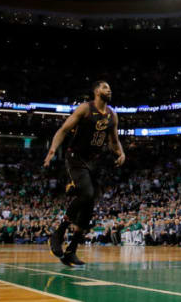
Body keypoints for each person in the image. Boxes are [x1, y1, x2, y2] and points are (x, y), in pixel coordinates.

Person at [44, 81, 125, 266]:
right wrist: (52, 151)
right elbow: (63, 130)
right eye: (105, 87)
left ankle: (71, 250)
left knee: (89, 207)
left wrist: (121, 153)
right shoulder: (85, 109)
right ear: (96, 91)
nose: (109, 90)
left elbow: (114, 140)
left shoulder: (113, 115)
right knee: (86, 193)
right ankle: (58, 234)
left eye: (110, 88)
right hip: (76, 157)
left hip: (94, 162)